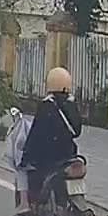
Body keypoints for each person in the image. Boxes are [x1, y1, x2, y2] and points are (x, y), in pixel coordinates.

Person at [20, 67, 82, 206]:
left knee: (33, 173)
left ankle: (35, 204)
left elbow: (36, 132)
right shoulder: (71, 104)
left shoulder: (47, 105)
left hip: (49, 155)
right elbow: (77, 131)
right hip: (69, 153)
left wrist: (26, 154)